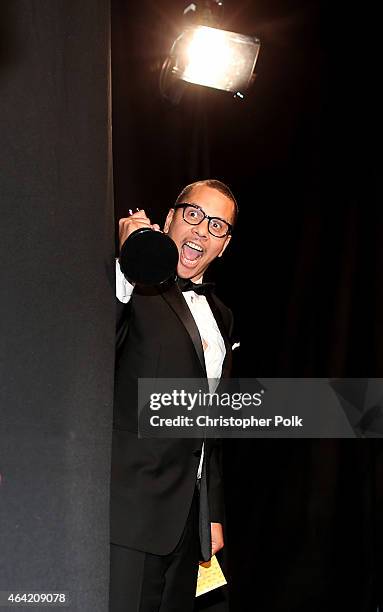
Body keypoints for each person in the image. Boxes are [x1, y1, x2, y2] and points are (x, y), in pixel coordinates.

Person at [110, 179, 237, 612]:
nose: (202, 230)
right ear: (170, 219)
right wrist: (130, 264)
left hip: (189, 524)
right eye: (194, 214)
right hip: (131, 512)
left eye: (217, 225)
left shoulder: (223, 317)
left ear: (225, 245)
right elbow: (88, 346)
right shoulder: (136, 290)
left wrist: (212, 511)